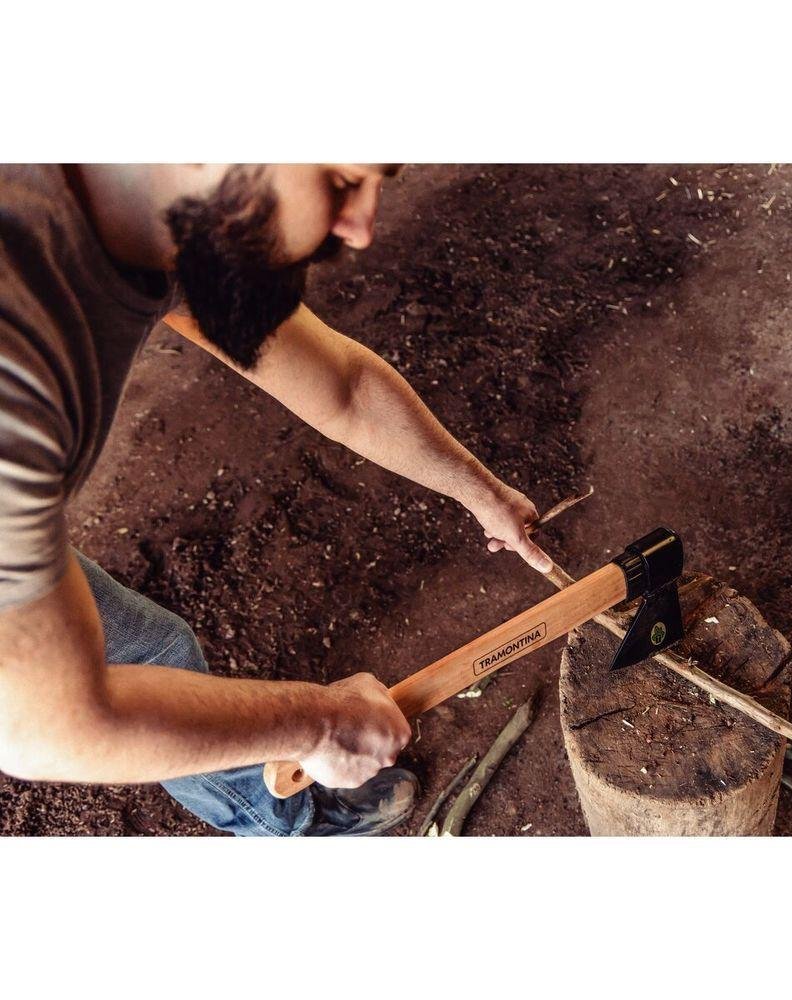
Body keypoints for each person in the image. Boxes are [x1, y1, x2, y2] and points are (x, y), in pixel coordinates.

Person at [0, 164, 553, 836]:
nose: (362, 229)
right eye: (342, 178)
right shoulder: (15, 372)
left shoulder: (167, 211)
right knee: (119, 669)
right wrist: (318, 725)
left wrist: (479, 490)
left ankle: (265, 804)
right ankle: (283, 822)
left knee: (149, 655)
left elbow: (342, 385)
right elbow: (50, 726)